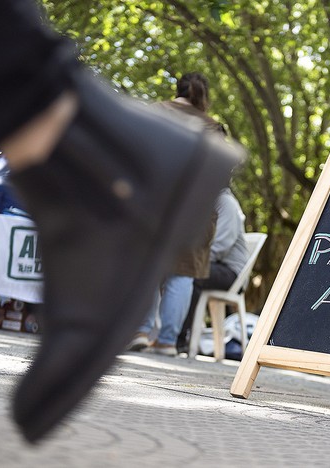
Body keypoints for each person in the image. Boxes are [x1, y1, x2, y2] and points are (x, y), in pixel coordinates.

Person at [0, 1, 240, 442]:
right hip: (184, 208)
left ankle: (78, 140)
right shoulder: (213, 124)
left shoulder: (162, 106)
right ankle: (81, 137)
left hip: (145, 184)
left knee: (164, 277)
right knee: (175, 278)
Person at [128, 72, 225, 356]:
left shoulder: (154, 114)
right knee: (182, 273)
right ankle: (168, 341)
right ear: (203, 97)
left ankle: (141, 331)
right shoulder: (213, 127)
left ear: (178, 89)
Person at [177, 184, 249, 355]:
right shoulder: (206, 204)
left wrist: (191, 261)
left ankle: (178, 339)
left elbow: (221, 246)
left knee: (191, 273)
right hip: (214, 264)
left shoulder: (226, 203)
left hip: (230, 272)